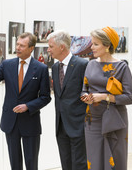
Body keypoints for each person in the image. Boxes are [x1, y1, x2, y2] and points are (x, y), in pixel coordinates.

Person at [0, 32, 51, 170]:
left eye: (22, 45)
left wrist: (28, 106)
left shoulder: (41, 69)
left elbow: (45, 97)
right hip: (11, 122)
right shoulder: (7, 64)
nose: (18, 48)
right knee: (15, 164)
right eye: (17, 44)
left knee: (31, 164)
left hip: (30, 122)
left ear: (31, 48)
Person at [80, 26, 132, 170]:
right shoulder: (90, 65)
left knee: (115, 159)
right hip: (92, 120)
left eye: (96, 44)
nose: (92, 47)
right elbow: (84, 90)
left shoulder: (122, 67)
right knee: (94, 159)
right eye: (92, 43)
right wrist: (86, 97)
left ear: (107, 46)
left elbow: (129, 97)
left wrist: (104, 97)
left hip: (114, 120)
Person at [47, 30, 88, 170]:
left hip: (78, 125)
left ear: (61, 47)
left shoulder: (82, 64)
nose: (48, 50)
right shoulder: (54, 67)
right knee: (66, 164)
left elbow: (87, 92)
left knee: (79, 164)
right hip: (61, 126)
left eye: (51, 46)